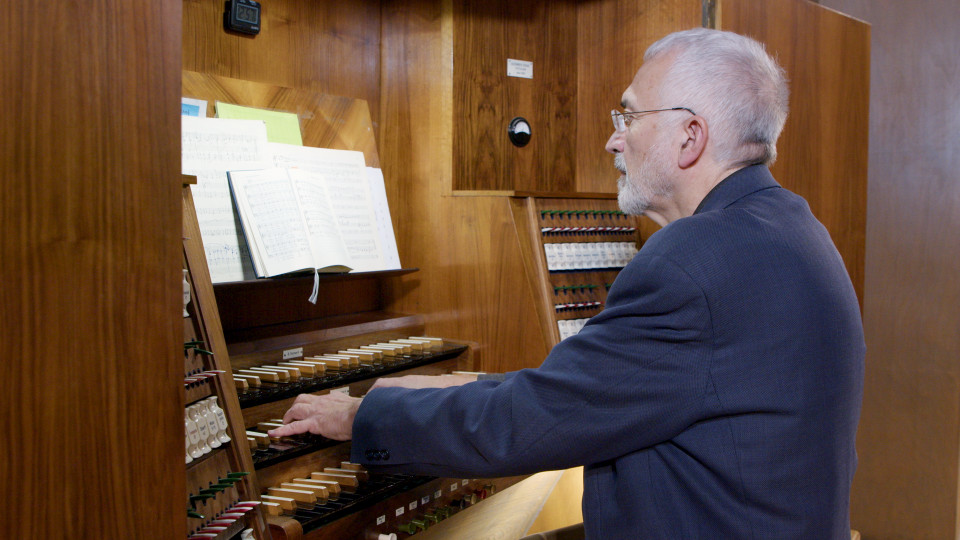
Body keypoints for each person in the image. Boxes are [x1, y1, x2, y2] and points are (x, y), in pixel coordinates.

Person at [269, 28, 865, 539]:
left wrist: (361, 418)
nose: (613, 138)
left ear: (690, 135)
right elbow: (614, 388)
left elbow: (533, 419)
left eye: (629, 116)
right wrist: (438, 385)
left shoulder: (691, 259)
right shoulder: (792, 226)